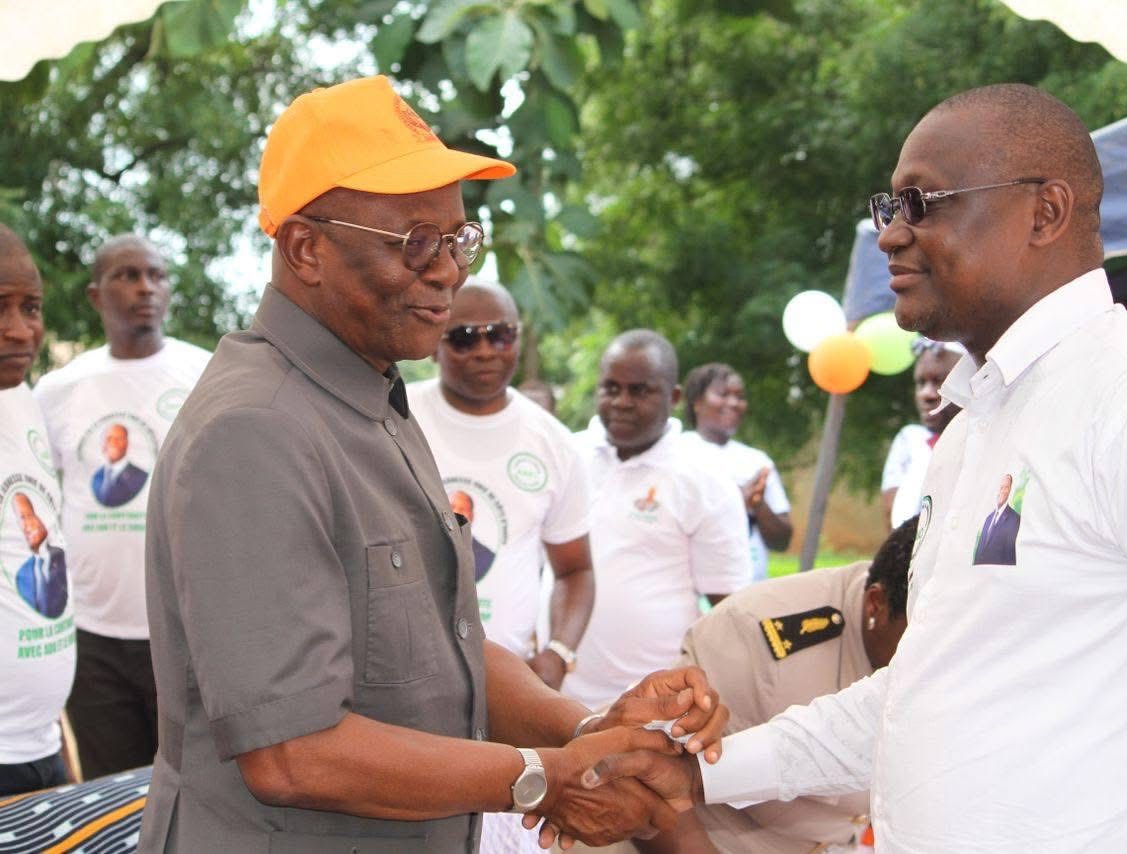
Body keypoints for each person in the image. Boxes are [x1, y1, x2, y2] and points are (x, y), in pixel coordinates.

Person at [585, 84, 1127, 852]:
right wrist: (697, 774)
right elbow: (918, 693)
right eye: (891, 206)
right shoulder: (974, 425)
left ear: (1045, 213)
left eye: (922, 203)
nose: (891, 235)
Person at [139, 75, 726, 853]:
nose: (450, 271)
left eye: (458, 240)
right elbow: (291, 753)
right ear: (307, 248)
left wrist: (587, 730)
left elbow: (438, 647)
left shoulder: (369, 395)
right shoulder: (256, 430)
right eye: (415, 242)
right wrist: (540, 776)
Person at [409, 279, 596, 854]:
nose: (485, 350)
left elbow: (575, 571)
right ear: (436, 340)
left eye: (501, 335)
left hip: (507, 699)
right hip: (403, 685)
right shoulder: (392, 416)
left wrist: (557, 655)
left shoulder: (552, 442)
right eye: (464, 337)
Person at [616, 517, 915, 854]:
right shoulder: (757, 632)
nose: (928, 659)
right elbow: (647, 763)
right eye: (917, 638)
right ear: (876, 604)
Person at [34, 234, 211, 781]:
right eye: (128, 276)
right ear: (95, 296)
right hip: (93, 638)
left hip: (189, 631)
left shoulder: (208, 375)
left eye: (156, 275)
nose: (145, 288)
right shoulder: (60, 390)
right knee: (113, 792)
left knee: (197, 791)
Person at [561, 332, 752, 712]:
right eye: (611, 388)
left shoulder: (705, 478)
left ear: (674, 397)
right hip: (554, 695)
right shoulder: (569, 454)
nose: (622, 402)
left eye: (640, 391)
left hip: (653, 706)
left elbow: (728, 605)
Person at [0, 224, 76, 796]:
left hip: (40, 746)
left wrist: (53, 732)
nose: (20, 330)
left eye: (31, 307)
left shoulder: (24, 399)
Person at [678, 363, 792, 583]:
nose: (733, 403)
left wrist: (758, 503)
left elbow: (782, 542)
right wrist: (733, 498)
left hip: (749, 590)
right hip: (692, 589)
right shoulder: (677, 452)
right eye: (723, 394)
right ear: (697, 402)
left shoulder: (757, 461)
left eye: (740, 397)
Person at [879, 338, 962, 530]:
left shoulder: (986, 442)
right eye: (921, 382)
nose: (926, 394)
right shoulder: (909, 440)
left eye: (940, 382)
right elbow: (893, 516)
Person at [12, 494, 69, 620]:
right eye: (20, 522)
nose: (25, 527)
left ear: (39, 517)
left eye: (27, 517)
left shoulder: (61, 557)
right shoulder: (20, 575)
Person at [90, 423, 149, 507]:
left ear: (127, 443)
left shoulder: (141, 477)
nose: (113, 443)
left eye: (118, 439)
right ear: (103, 444)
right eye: (109, 439)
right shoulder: (96, 476)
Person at [972, 472, 1020, 566]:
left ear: (1010, 490)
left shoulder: (1014, 519)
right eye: (1001, 487)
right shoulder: (988, 519)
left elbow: (1010, 558)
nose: (1002, 491)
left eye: (1006, 487)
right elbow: (979, 552)